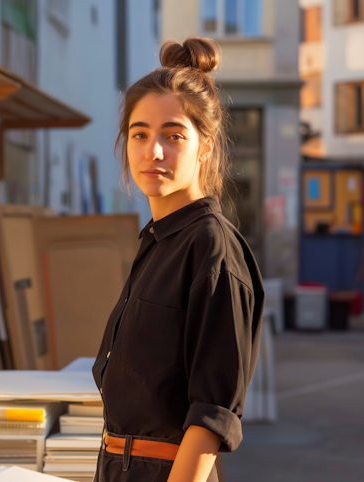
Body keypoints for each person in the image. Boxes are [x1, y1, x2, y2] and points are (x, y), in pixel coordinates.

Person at [91, 37, 265, 482]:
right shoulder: (158, 241)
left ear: (205, 146)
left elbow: (212, 414)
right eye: (140, 134)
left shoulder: (212, 248)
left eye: (174, 135)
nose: (154, 152)